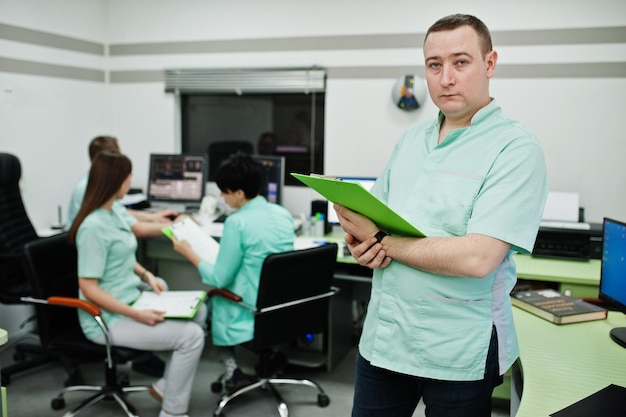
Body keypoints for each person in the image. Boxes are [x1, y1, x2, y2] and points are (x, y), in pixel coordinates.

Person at [333, 14, 549, 417]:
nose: (445, 77)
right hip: (385, 338)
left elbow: (477, 258)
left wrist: (383, 242)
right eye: (434, 65)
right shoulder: (411, 139)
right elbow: (372, 221)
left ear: (489, 63)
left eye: (460, 62)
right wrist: (362, 244)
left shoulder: (515, 149)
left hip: (458, 352)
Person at [68, 151, 206, 417]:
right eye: (128, 176)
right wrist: (137, 315)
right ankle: (172, 412)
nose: (130, 181)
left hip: (131, 297)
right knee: (192, 337)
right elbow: (89, 288)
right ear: (117, 181)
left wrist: (147, 275)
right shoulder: (93, 227)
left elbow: (120, 255)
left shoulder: (113, 214)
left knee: (199, 310)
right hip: (107, 318)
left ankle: (167, 386)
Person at [172, 153, 295, 393]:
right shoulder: (283, 214)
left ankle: (232, 370)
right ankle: (265, 359)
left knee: (213, 299)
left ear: (239, 193)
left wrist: (188, 252)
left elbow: (220, 279)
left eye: (224, 191)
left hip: (250, 308)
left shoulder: (236, 223)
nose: (220, 196)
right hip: (282, 309)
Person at [66, 135, 178, 238]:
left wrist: (152, 217)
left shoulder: (97, 184)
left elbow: (120, 212)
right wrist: (175, 226)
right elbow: (136, 229)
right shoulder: (89, 188)